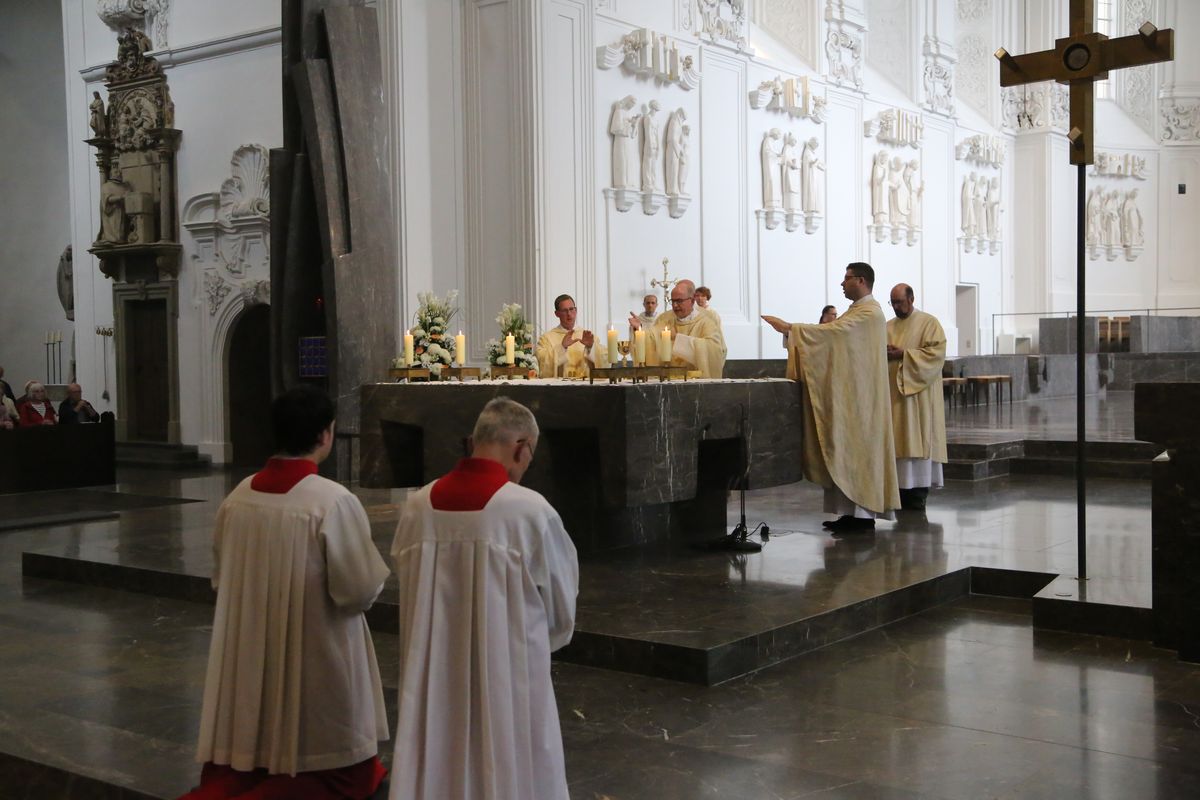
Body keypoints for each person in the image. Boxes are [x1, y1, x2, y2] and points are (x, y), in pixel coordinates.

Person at [183, 385, 390, 800]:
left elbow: (222, 576)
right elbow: (358, 591)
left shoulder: (237, 497)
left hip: (250, 643)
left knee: (248, 758)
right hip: (315, 647)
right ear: (325, 435)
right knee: (327, 767)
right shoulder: (332, 502)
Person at [389, 397, 578, 800]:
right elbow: (561, 608)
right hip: (508, 674)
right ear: (521, 447)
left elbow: (408, 584)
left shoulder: (416, 507)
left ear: (473, 440)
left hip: (432, 670)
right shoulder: (530, 512)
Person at [762, 262, 900, 533]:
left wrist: (791, 329)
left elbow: (833, 335)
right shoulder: (856, 313)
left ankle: (863, 516)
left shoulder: (870, 314)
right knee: (844, 451)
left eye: (846, 278)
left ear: (860, 281)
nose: (842, 283)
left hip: (862, 400)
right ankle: (848, 513)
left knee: (858, 453)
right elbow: (834, 343)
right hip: (850, 395)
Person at [886, 284, 947, 511]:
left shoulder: (929, 323)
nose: (895, 307)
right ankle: (899, 492)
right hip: (895, 398)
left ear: (911, 299)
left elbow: (936, 355)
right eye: (892, 302)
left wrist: (904, 354)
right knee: (898, 443)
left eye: (899, 302)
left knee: (919, 441)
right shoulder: (887, 326)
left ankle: (919, 493)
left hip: (919, 400)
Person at [628, 279, 727, 378]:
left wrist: (678, 338)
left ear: (692, 301)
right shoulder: (665, 318)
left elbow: (715, 351)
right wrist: (639, 329)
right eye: (673, 301)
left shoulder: (707, 320)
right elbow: (651, 337)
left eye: (679, 301)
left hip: (696, 384)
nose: (675, 305)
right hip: (668, 382)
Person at [535, 294, 595, 378]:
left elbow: (603, 361)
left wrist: (590, 347)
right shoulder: (546, 338)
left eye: (571, 309)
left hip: (585, 386)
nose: (569, 314)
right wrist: (562, 347)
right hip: (559, 388)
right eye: (564, 310)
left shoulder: (587, 336)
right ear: (557, 314)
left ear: (576, 310)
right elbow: (542, 362)